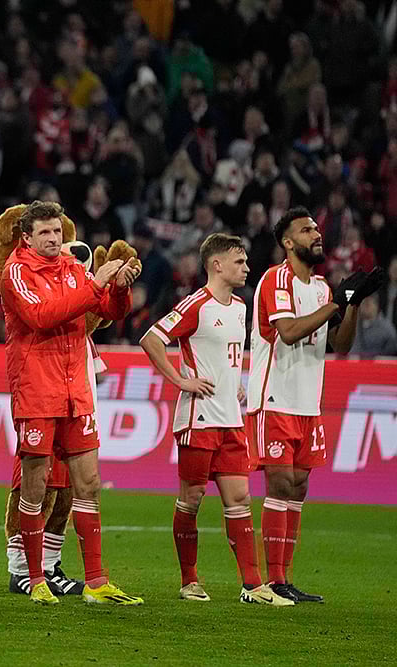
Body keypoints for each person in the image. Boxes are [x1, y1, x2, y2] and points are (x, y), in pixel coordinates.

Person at [0, 200, 142, 605]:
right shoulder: (16, 272)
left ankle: (96, 583)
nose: (53, 240)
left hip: (75, 392)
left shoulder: (73, 270)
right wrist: (98, 282)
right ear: (27, 237)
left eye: (57, 233)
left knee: (89, 486)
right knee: (37, 487)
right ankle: (35, 579)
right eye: (45, 233)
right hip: (37, 392)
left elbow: (108, 310)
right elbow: (43, 316)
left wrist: (120, 285)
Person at [140, 233, 293, 606]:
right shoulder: (196, 305)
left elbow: (227, 353)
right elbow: (151, 338)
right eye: (239, 261)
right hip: (198, 419)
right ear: (217, 265)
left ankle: (253, 586)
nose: (246, 267)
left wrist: (235, 383)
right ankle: (189, 580)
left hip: (231, 419)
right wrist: (180, 380)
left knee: (240, 499)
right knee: (191, 499)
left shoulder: (240, 307)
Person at [247, 207, 382, 603]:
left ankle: (285, 578)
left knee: (300, 487)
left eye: (316, 228)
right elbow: (287, 332)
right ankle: (273, 581)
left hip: (308, 403)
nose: (316, 233)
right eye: (306, 230)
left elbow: (339, 344)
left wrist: (351, 304)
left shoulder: (323, 289)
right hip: (274, 397)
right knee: (281, 482)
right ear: (288, 242)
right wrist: (335, 304)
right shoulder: (277, 279)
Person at [349, 293, 397, 358]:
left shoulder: (387, 329)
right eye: (363, 304)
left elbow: (391, 352)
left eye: (368, 304)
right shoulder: (352, 326)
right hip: (353, 364)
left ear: (376, 306)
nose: (365, 308)